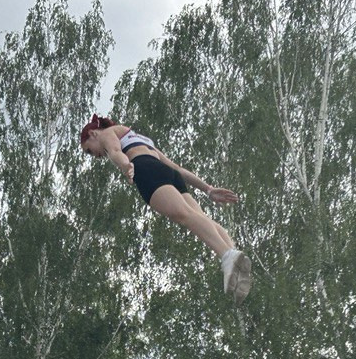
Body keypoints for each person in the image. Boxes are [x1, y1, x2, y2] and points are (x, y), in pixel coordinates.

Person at [78, 115, 252, 302]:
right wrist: (207, 189)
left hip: (146, 170)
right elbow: (176, 167)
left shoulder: (106, 134)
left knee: (183, 215)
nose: (95, 156)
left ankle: (227, 256)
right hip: (168, 172)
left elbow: (114, 151)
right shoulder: (137, 137)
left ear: (92, 133)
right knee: (199, 217)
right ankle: (234, 258)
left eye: (89, 151)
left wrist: (125, 166)